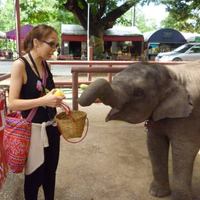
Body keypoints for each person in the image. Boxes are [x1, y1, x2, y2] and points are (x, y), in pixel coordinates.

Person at [9, 24, 65, 200]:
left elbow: (48, 92)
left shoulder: (46, 65)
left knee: (50, 175)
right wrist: (43, 101)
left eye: (56, 45)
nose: (54, 49)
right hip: (32, 131)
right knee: (34, 178)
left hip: (51, 127)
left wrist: (57, 100)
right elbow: (13, 103)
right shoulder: (20, 65)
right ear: (36, 43)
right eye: (51, 44)